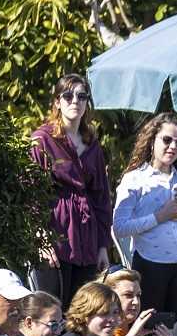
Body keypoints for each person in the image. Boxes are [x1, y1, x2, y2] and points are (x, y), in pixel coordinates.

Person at [29, 73, 114, 301]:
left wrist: (102, 246)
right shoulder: (42, 140)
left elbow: (101, 198)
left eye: (81, 96)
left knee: (82, 312)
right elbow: (30, 192)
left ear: (87, 103)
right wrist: (40, 236)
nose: (75, 101)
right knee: (51, 310)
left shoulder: (92, 144)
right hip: (55, 233)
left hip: (87, 237)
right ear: (57, 102)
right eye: (68, 95)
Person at [111, 111, 177, 319]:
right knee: (152, 328)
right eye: (167, 140)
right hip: (152, 264)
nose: (173, 147)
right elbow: (120, 227)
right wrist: (160, 216)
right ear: (152, 140)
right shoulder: (135, 179)